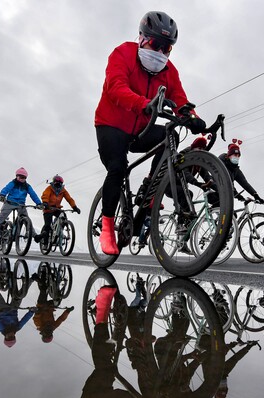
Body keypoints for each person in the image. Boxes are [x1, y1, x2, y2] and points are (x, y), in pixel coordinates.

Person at [94, 10, 206, 255]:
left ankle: (151, 188)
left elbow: (180, 101)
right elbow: (115, 87)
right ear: (142, 38)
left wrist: (192, 119)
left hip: (140, 129)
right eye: (155, 45)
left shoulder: (170, 72)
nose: (160, 53)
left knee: (171, 136)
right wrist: (144, 103)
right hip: (110, 125)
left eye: (167, 49)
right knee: (117, 169)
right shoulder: (122, 53)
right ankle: (106, 227)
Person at [0, 167, 44, 239]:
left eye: (24, 177)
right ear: (16, 176)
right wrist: (2, 195)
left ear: (26, 178)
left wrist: (39, 203)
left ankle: (35, 236)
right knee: (1, 217)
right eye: (20, 177)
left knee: (27, 220)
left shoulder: (27, 186)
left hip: (21, 205)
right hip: (9, 203)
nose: (21, 179)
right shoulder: (13, 183)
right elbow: (6, 188)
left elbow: (33, 195)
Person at [214, 140, 264, 206]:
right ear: (229, 155)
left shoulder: (235, 169)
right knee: (228, 214)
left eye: (238, 156)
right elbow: (227, 181)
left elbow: (245, 183)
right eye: (235, 155)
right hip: (214, 189)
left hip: (225, 193)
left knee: (232, 215)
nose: (237, 157)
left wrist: (255, 195)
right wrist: (237, 194)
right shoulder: (222, 163)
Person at [34, 175, 80, 244]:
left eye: (60, 183)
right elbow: (45, 195)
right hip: (48, 209)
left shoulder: (63, 190)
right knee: (47, 226)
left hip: (56, 209)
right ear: (53, 182)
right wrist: (45, 203)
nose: (58, 185)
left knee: (63, 215)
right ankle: (45, 243)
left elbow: (69, 199)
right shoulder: (49, 188)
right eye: (56, 183)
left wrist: (74, 207)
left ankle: (59, 230)